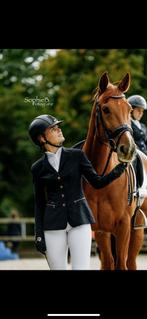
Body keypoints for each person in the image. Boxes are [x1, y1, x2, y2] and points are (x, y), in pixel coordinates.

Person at [28, 114, 127, 270]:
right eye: (53, 129)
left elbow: (97, 182)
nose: (59, 129)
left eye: (58, 126)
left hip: (80, 221)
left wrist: (120, 168)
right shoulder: (37, 168)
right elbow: (39, 203)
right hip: (52, 225)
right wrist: (38, 234)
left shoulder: (77, 156)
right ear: (41, 138)